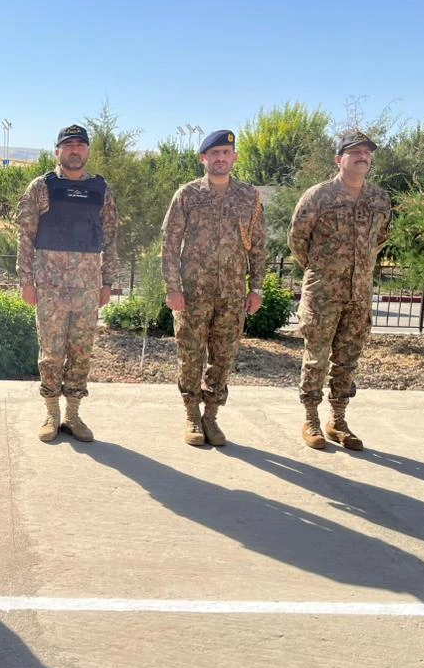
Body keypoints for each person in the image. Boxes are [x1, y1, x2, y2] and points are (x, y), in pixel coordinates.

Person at [161, 129, 266, 447]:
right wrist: (172, 287)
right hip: (193, 292)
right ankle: (192, 415)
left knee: (223, 357)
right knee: (190, 355)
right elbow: (169, 243)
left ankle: (211, 416)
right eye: (214, 154)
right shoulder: (188, 195)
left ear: (233, 158)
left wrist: (257, 288)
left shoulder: (249, 196)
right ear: (203, 158)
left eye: (226, 153)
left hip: (232, 294)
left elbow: (258, 246)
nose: (221, 158)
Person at [288, 129, 392, 450]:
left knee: (348, 359)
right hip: (323, 294)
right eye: (355, 152)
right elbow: (297, 239)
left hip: (358, 295)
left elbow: (381, 239)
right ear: (339, 159)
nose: (363, 156)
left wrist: (356, 272)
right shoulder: (318, 196)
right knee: (316, 358)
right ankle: (311, 419)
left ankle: (338, 420)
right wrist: (323, 269)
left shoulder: (379, 199)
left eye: (367, 153)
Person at [16, 123, 118, 443]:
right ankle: (51, 412)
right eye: (68, 145)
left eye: (80, 145)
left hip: (87, 286)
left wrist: (107, 282)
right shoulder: (41, 187)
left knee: (81, 350)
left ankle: (73, 415)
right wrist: (26, 281)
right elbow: (25, 237)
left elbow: (111, 238)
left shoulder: (101, 189)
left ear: (87, 151)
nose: (75, 150)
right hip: (49, 285)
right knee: (51, 352)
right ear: (58, 151)